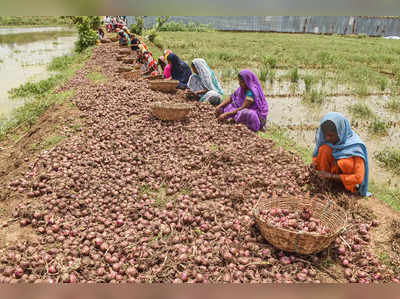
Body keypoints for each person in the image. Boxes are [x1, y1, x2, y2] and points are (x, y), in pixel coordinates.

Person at [311, 112, 369, 196]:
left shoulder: (355, 147)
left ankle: (339, 187)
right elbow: (317, 160)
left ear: (340, 132)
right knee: (324, 149)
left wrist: (331, 176)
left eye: (331, 135)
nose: (327, 138)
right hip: (327, 180)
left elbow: (359, 177)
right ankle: (324, 184)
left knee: (344, 161)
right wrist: (313, 166)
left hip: (346, 186)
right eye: (325, 135)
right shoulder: (327, 143)